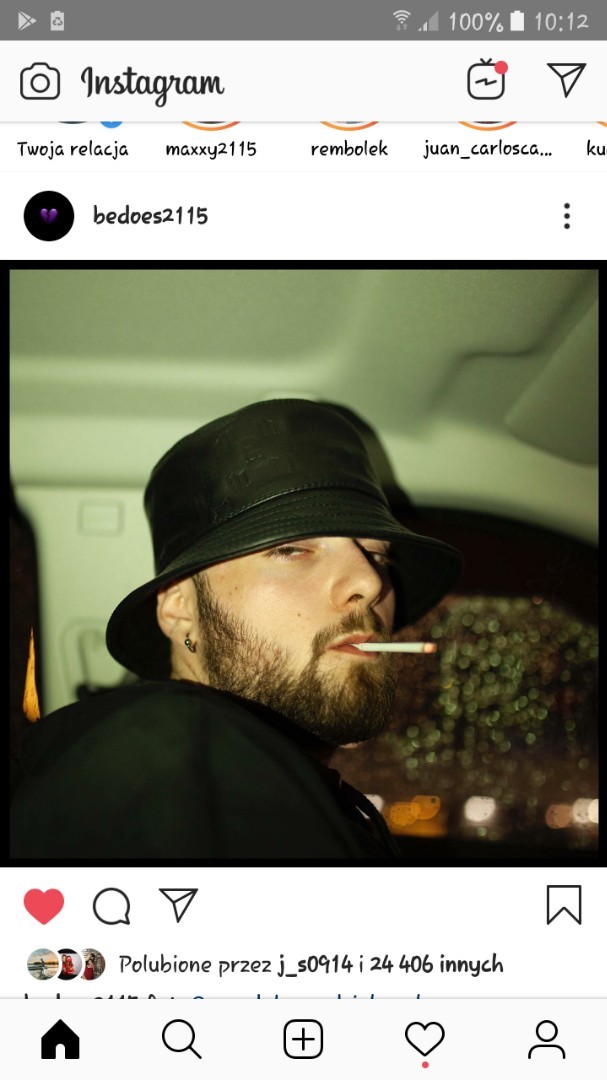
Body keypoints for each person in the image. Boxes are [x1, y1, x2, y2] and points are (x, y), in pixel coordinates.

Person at [10, 399, 463, 860]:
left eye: (378, 555)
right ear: (180, 609)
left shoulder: (267, 792)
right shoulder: (160, 772)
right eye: (292, 549)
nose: (370, 582)